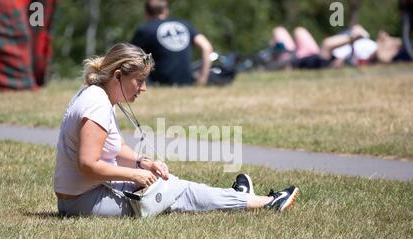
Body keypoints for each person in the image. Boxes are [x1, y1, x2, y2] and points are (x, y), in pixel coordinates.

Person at [53, 43, 299, 217]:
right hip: (82, 202)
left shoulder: (99, 95)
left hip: (79, 197)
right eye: (139, 81)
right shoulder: (96, 103)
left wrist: (142, 163)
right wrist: (134, 176)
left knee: (174, 186)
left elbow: (116, 148)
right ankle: (267, 202)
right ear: (118, 76)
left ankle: (236, 197)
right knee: (179, 191)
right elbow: (87, 164)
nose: (144, 88)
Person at [131, 0, 213, 86]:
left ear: (146, 13)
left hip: (159, 83)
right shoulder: (184, 24)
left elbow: (132, 55)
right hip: (187, 82)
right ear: (166, 11)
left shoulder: (145, 30)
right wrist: (202, 79)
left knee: (143, 55)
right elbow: (206, 47)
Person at [269, 24, 378, 69]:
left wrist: (352, 38)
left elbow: (327, 44)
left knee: (279, 31)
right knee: (299, 30)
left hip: (292, 60)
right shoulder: (333, 59)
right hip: (312, 53)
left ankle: (269, 62)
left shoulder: (326, 63)